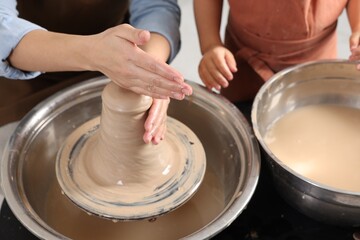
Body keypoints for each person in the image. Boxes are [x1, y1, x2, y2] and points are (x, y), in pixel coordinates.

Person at [0, 0, 192, 144]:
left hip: (114, 66)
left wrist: (148, 69)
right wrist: (92, 53)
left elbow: (157, 7)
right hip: (21, 77)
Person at [194, 0, 360, 117]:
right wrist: (211, 45)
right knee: (242, 122)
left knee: (314, 121)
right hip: (241, 64)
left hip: (315, 61)